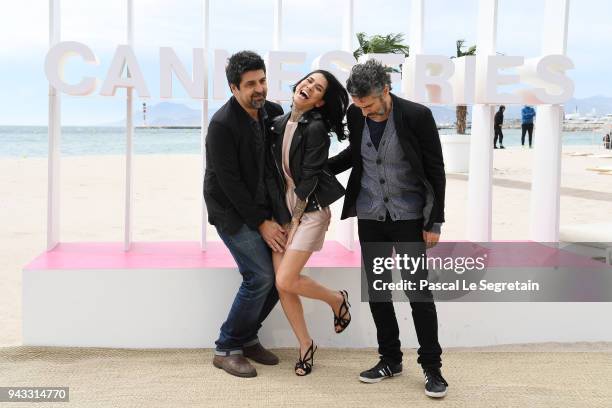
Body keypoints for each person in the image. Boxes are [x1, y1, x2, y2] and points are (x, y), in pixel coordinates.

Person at [328, 60, 448, 398]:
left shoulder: (416, 116)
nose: (363, 110)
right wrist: (320, 169)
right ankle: (390, 359)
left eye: (367, 103)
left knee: (418, 295)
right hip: (370, 216)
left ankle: (432, 367)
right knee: (379, 292)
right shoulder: (356, 115)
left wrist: (434, 220)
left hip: (408, 217)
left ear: (385, 90)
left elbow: (435, 169)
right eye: (357, 104)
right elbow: (356, 154)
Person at [203, 50, 285, 378]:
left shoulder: (272, 113)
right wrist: (261, 223)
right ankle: (226, 347)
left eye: (262, 80)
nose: (259, 89)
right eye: (250, 84)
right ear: (234, 88)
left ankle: (248, 337)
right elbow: (230, 183)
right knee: (260, 276)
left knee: (282, 278)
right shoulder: (222, 124)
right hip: (231, 211)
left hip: (265, 207)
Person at [265, 70, 351, 376]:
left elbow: (310, 178)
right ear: (298, 85)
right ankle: (305, 345)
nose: (309, 87)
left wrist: (292, 221)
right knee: (283, 284)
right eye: (308, 82)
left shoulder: (315, 128)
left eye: (317, 89)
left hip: (309, 211)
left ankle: (337, 300)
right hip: (283, 212)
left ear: (319, 102)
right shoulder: (275, 124)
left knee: (286, 279)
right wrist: (276, 218)